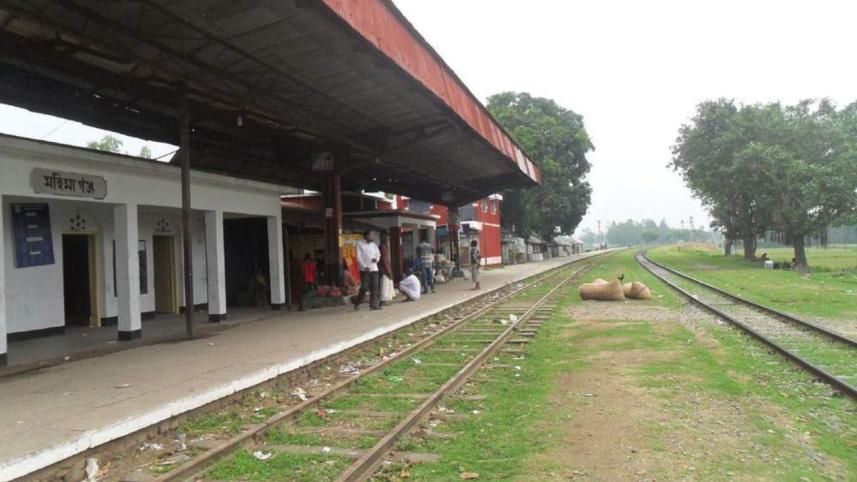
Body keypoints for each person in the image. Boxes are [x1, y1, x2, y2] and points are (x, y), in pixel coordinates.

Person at [353, 230, 381, 310]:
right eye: (372, 235)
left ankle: (373, 305)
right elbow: (358, 257)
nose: (373, 237)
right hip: (365, 270)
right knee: (364, 287)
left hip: (374, 268)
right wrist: (364, 266)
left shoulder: (374, 245)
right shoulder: (359, 244)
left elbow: (378, 254)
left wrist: (376, 259)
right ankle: (357, 302)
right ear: (367, 236)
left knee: (374, 287)